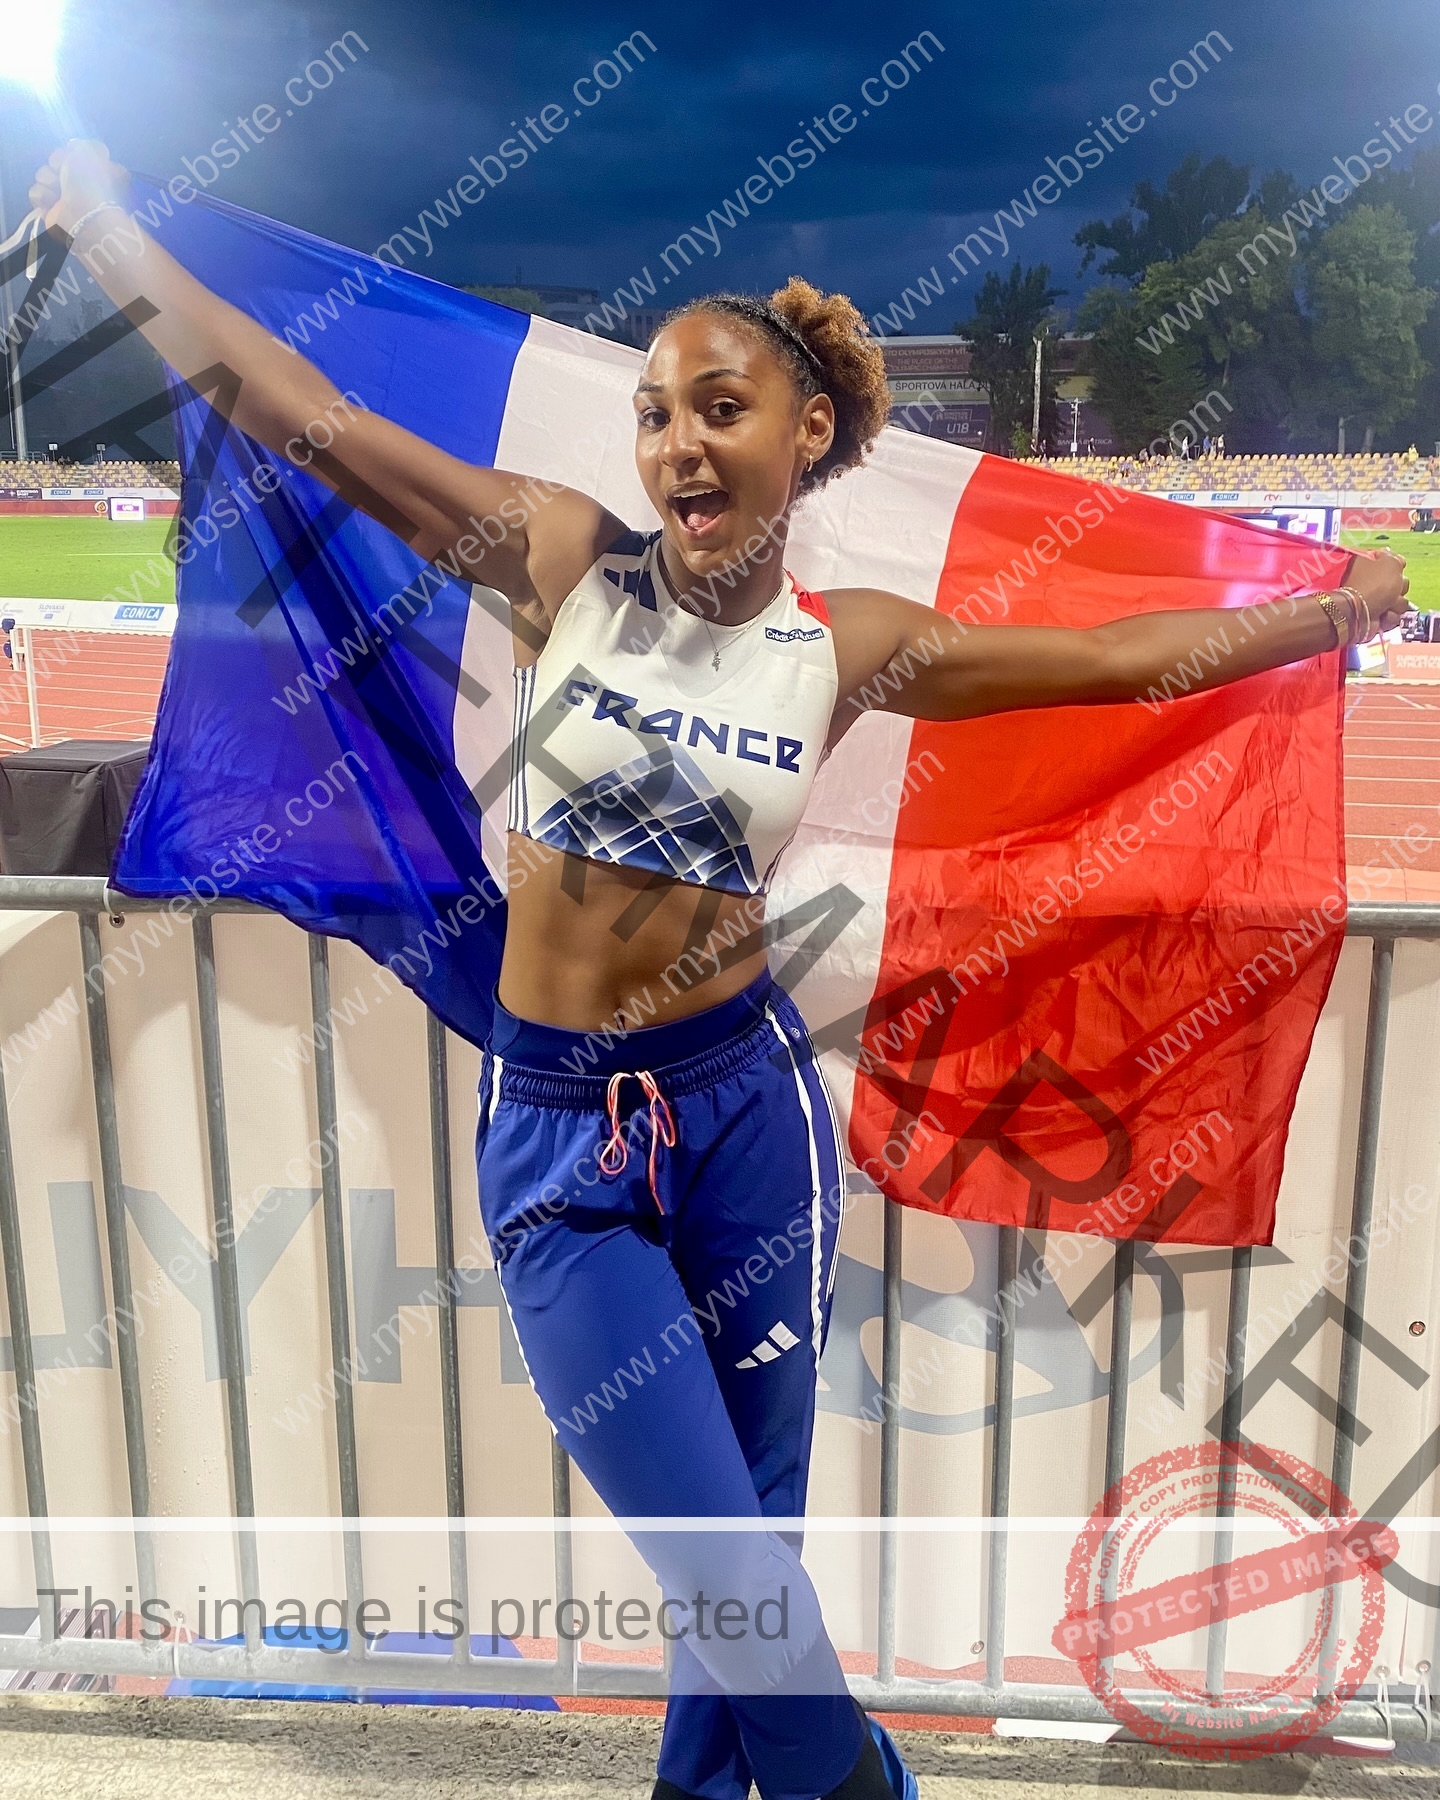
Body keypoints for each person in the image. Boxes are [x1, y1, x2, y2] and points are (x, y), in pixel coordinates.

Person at [31, 141, 1408, 1800]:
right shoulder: (559, 560)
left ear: (801, 437)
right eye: (659, 414)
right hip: (561, 1144)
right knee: (723, 1563)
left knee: (742, 1556)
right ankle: (859, 1788)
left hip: (747, 1127)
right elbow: (294, 408)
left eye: (720, 410)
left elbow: (1118, 661)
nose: (680, 443)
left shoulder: (846, 646)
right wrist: (105, 232)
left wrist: (1321, 618)